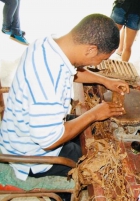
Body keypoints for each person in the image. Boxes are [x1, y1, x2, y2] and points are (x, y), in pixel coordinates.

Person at [0, 14, 129, 183]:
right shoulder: (49, 80)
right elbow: (49, 141)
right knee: (100, 165)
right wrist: (93, 114)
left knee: (93, 132)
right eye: (102, 59)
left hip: (24, 130)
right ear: (91, 49)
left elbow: (71, 72)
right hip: (32, 156)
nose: (98, 64)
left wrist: (104, 80)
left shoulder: (48, 45)